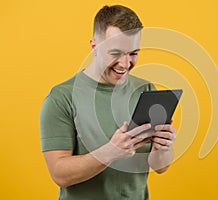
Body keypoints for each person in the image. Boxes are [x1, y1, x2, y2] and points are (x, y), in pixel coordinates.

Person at [40, 4, 176, 200]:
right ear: (94, 47)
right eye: (115, 53)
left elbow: (160, 166)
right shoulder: (61, 98)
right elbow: (59, 174)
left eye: (133, 53)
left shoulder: (146, 90)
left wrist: (163, 148)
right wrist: (110, 152)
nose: (125, 63)